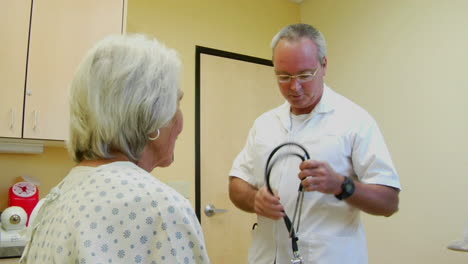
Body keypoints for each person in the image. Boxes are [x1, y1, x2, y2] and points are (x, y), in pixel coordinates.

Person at [20, 34, 210, 264]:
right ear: (150, 115)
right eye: (176, 104)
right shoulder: (160, 209)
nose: (180, 122)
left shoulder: (51, 203)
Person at [228, 23, 401, 264]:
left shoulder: (355, 121)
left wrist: (341, 185)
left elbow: (389, 202)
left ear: (324, 65)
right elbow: (237, 184)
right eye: (283, 76)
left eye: (304, 75)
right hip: (266, 257)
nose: (294, 87)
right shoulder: (264, 124)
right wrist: (254, 199)